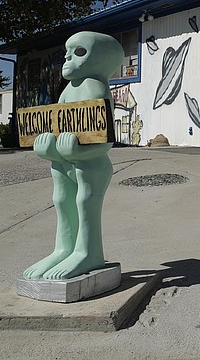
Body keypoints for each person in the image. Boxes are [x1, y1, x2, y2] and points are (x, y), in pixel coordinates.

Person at [24, 31, 124, 280]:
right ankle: (64, 249)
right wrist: (48, 148)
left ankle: (88, 252)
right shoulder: (69, 89)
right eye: (67, 52)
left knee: (84, 203)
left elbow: (104, 139)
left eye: (79, 52)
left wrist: (80, 150)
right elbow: (58, 128)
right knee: (62, 201)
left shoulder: (95, 87)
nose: (67, 58)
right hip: (64, 163)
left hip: (92, 166)